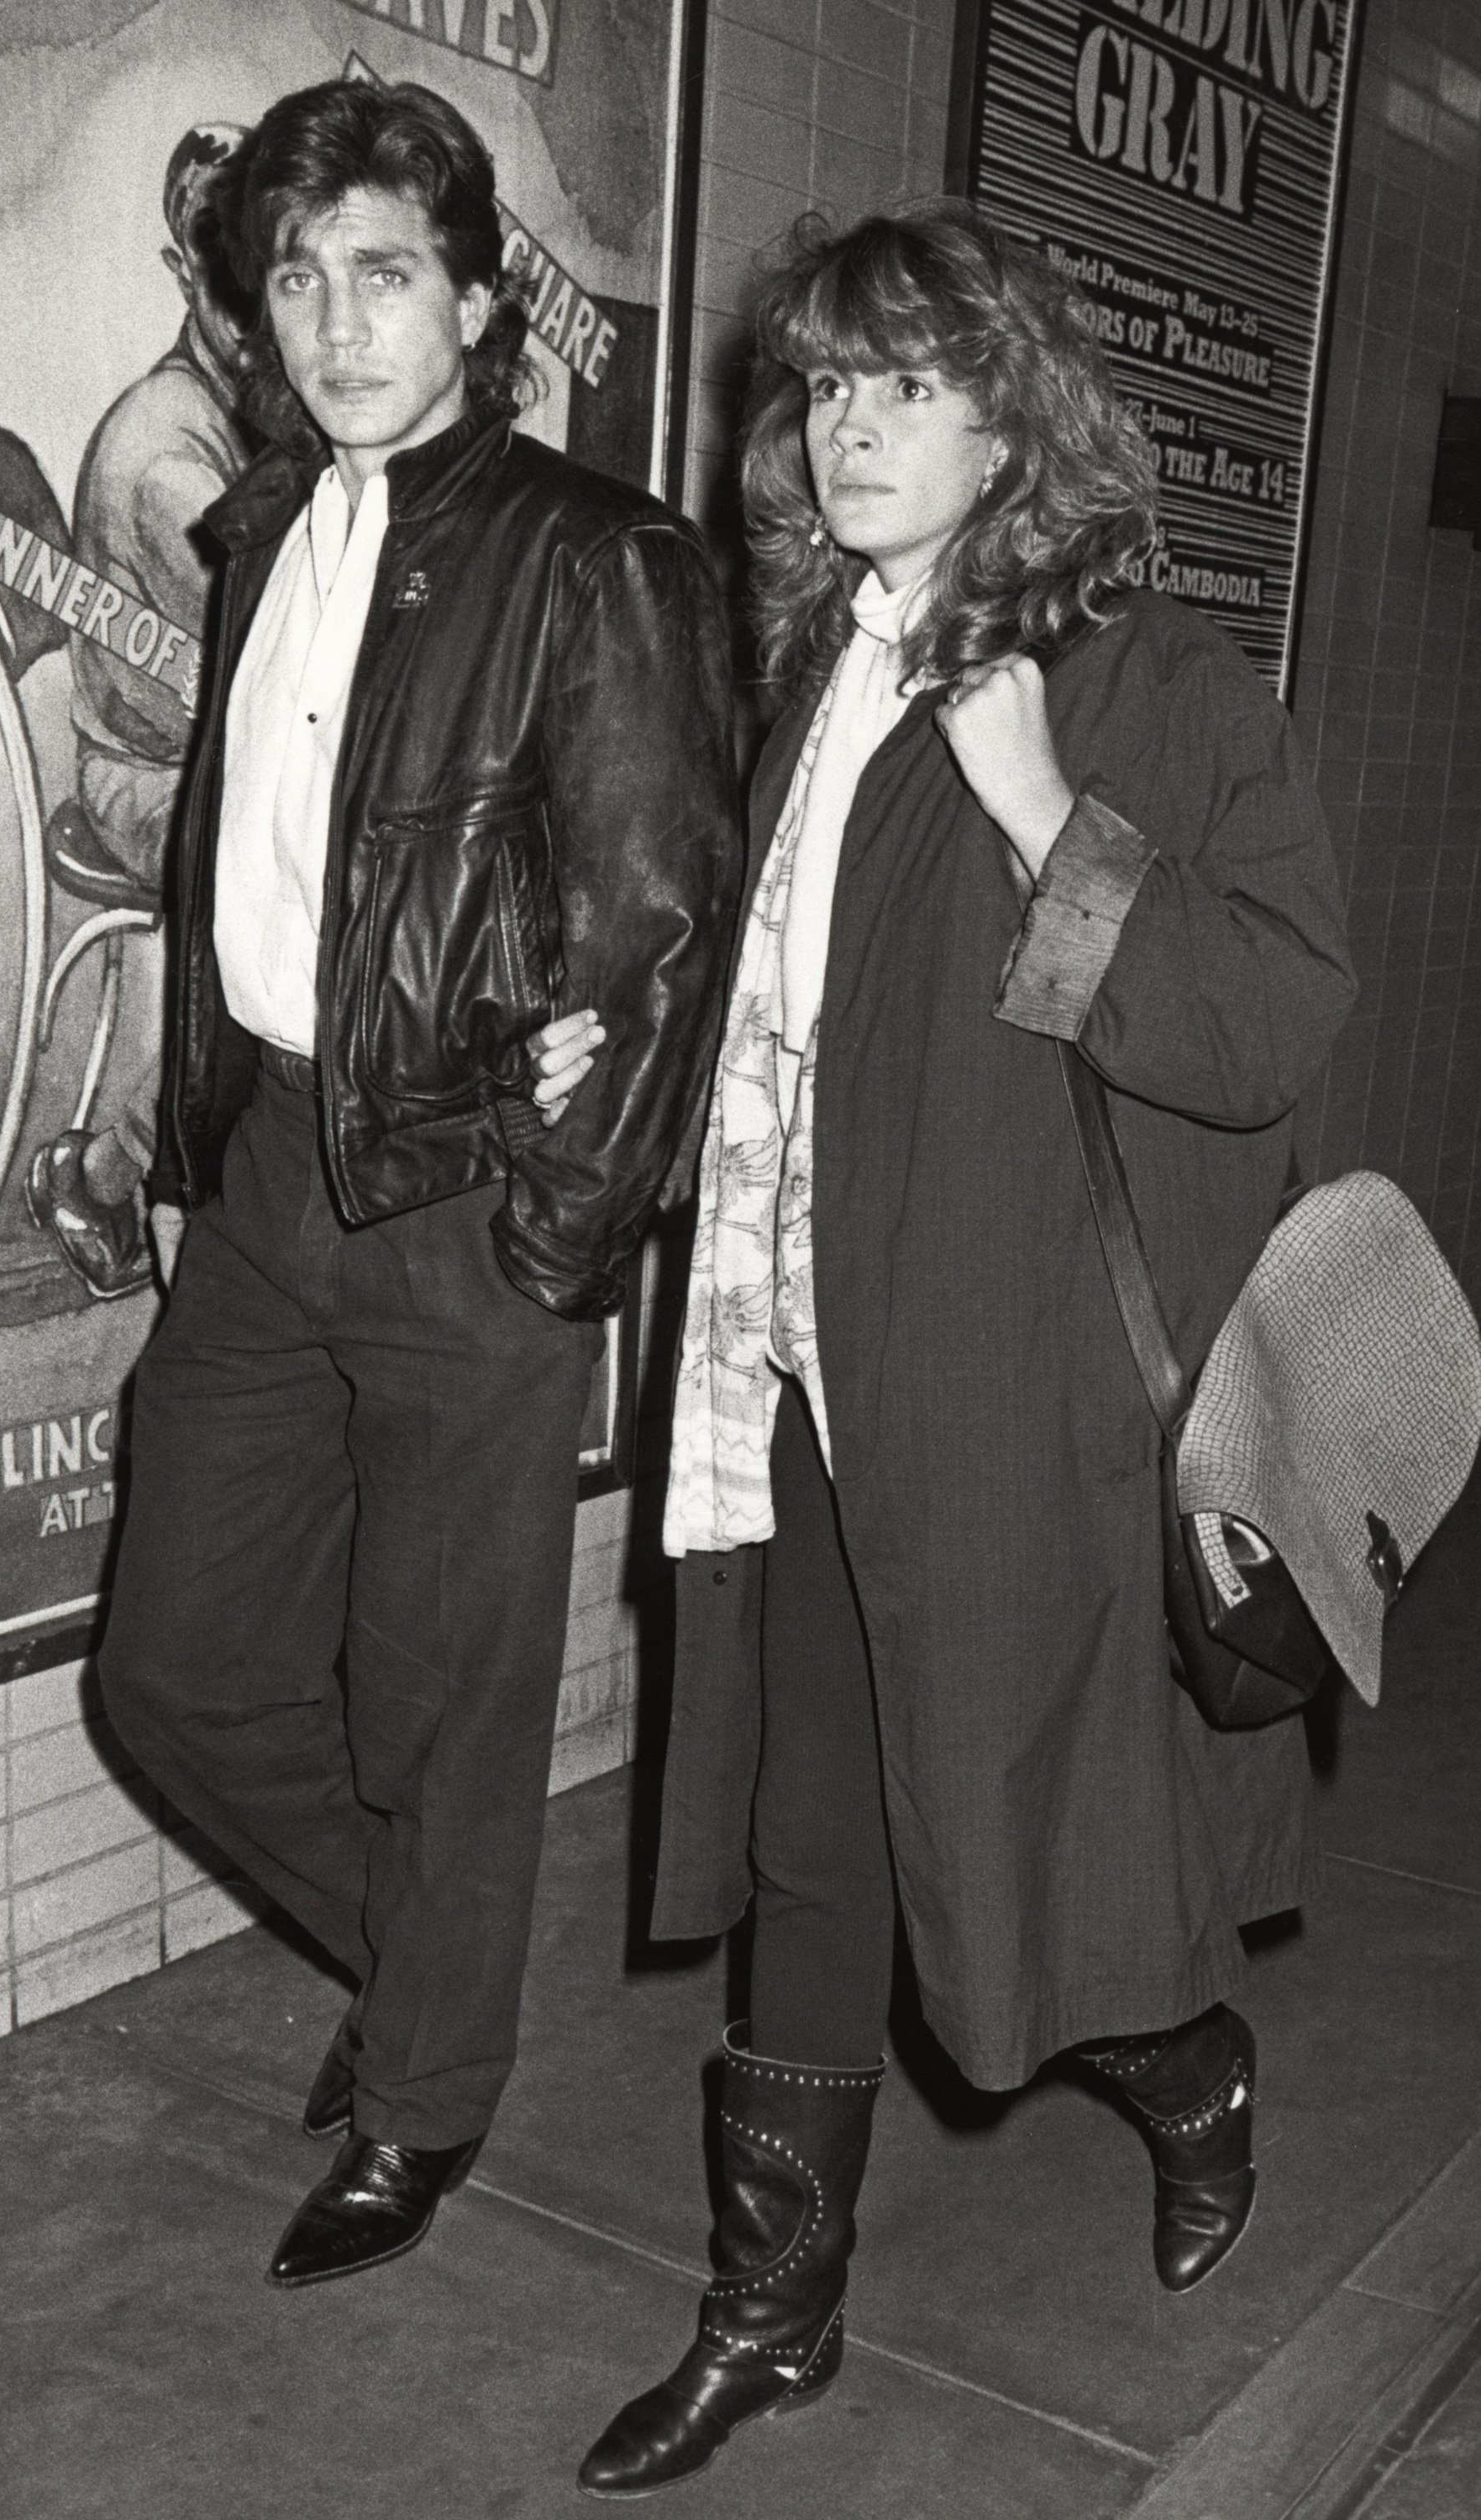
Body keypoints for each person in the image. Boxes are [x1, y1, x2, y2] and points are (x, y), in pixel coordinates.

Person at [559, 203, 1355, 2497]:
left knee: (1028, 1869)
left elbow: (1260, 1022)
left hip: (1023, 1411)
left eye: (908, 383)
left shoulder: (1145, 682)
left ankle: (1185, 2067)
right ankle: (765, 2317)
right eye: (824, 386)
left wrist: (1040, 818)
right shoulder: (807, 667)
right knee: (823, 1853)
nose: (853, 427)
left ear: (1013, 416)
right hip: (803, 1383)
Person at [97, 78, 738, 2291]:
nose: (336, 317)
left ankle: (428, 2099)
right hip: (281, 1158)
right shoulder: (266, 523)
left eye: (383, 269)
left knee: (439, 1691)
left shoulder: (594, 555)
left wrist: (547, 1231)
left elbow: (656, 941)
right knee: (171, 1665)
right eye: (296, 276)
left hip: (470, 1195)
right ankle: (427, 1968)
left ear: (476, 295)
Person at [26, 123, 255, 1300]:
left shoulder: (235, 410)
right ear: (182, 274)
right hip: (146, 781)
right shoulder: (170, 458)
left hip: (201, 760)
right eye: (228, 272)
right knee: (291, 902)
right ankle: (111, 1176)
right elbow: (280, 673)